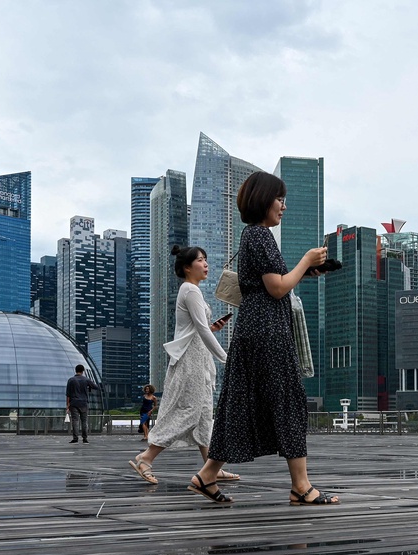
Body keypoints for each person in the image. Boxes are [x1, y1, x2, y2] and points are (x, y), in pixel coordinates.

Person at [188, 171, 339, 506]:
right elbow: (277, 287)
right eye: (279, 198)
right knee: (288, 401)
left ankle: (207, 476)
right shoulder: (259, 236)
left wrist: (309, 269)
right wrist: (306, 261)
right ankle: (301, 486)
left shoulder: (253, 236)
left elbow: (274, 282)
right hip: (268, 331)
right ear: (263, 200)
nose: (283, 206)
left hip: (254, 329)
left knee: (243, 402)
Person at [129, 246, 239, 485]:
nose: (206, 264)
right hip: (191, 361)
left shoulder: (192, 291)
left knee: (202, 416)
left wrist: (212, 329)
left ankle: (211, 467)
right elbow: (199, 329)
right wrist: (226, 357)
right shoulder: (190, 290)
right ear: (187, 267)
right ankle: (146, 458)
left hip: (198, 357)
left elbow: (198, 329)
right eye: (200, 260)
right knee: (189, 412)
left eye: (206, 259)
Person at [66, 364, 99, 444]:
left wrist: (67, 405)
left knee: (75, 421)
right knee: (84, 421)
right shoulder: (86, 380)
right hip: (84, 403)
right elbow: (96, 387)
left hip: (74, 403)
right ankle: (85, 438)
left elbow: (68, 394)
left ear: (76, 370)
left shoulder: (71, 380)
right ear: (83, 371)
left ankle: (75, 438)